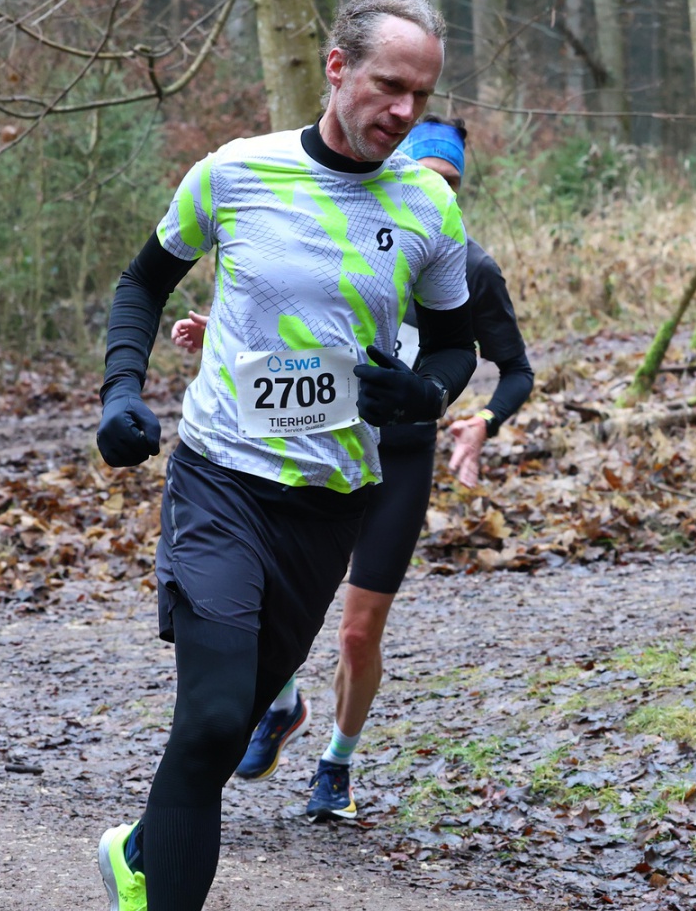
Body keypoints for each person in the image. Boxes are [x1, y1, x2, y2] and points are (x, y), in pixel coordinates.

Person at [90, 0, 476, 911]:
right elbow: (142, 282)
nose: (404, 111)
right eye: (389, 85)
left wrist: (426, 393)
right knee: (214, 717)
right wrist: (122, 391)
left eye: (422, 95)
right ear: (337, 67)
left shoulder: (429, 208)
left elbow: (458, 344)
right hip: (221, 484)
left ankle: (138, 854)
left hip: (329, 504)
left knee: (217, 743)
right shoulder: (236, 173)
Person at [171, 116, 532, 825]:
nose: (433, 189)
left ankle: (337, 763)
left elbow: (514, 369)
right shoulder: (340, 233)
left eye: (449, 182)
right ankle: (282, 705)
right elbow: (297, 342)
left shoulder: (469, 267)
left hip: (400, 462)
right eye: (422, 173)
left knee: (357, 634)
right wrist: (225, 342)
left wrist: (482, 421)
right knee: (264, 606)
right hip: (315, 451)